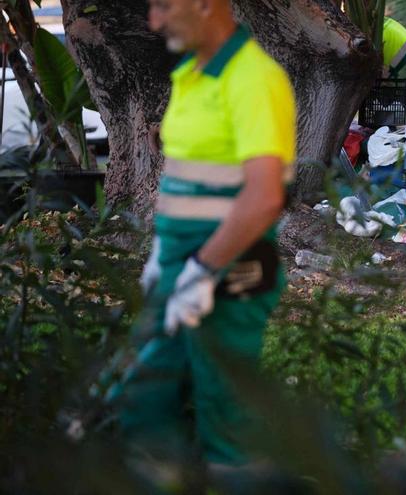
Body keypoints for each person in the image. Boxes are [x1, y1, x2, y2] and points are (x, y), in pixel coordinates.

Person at [120, 0, 295, 483]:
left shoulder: (252, 79)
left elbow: (263, 198)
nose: (153, 22)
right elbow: (182, 175)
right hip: (184, 262)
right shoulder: (190, 74)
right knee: (146, 395)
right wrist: (163, 254)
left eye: (162, 6)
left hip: (232, 263)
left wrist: (202, 271)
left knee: (226, 413)